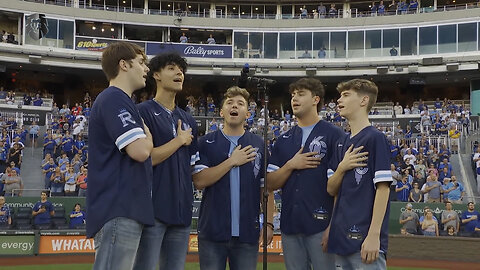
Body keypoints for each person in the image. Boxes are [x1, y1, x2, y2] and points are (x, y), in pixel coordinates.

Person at [86, 42, 155, 270]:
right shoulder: (114, 98)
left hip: (124, 209)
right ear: (124, 65)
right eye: (141, 62)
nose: (146, 69)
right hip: (118, 209)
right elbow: (141, 151)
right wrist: (148, 135)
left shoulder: (121, 100)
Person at [192, 86, 274, 270]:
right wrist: (231, 161)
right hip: (212, 232)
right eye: (229, 102)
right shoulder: (205, 142)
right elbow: (199, 180)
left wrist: (268, 223)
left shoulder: (258, 144)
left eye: (240, 103)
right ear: (221, 111)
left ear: (248, 113)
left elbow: (266, 188)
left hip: (247, 233)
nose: (234, 106)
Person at [267, 78, 344, 270]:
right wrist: (291, 165)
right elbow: (269, 184)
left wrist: (332, 227)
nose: (294, 99)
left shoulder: (335, 135)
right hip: (290, 226)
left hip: (322, 226)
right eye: (293, 95)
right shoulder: (283, 139)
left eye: (301, 94)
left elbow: (340, 188)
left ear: (316, 99)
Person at [134, 53, 198, 270]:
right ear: (156, 75)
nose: (179, 73)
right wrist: (179, 140)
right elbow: (145, 158)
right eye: (172, 68)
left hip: (181, 211)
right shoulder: (142, 112)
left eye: (181, 70)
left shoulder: (188, 119)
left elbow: (192, 167)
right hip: (152, 211)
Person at [327, 79, 391, 268]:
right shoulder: (341, 142)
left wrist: (373, 235)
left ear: (363, 101)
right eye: (340, 96)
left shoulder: (375, 138)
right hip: (340, 240)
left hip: (364, 241)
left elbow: (383, 189)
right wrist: (342, 167)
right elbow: (331, 189)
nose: (339, 100)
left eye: (346, 95)